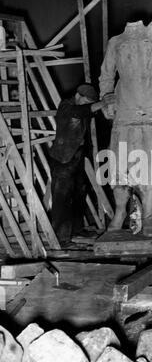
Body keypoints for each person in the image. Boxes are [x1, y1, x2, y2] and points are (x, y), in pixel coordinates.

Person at [98, 20, 152, 237]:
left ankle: (147, 219)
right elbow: (106, 75)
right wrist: (106, 100)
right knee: (120, 170)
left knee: (151, 169)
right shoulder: (115, 41)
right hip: (125, 106)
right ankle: (119, 214)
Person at [49, 83, 111, 247]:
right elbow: (81, 112)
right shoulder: (66, 106)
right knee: (62, 198)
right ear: (78, 96)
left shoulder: (80, 106)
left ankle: (76, 230)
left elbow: (90, 112)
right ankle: (61, 238)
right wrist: (102, 103)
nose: (87, 105)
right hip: (62, 159)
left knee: (79, 194)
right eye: (86, 101)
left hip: (75, 157)